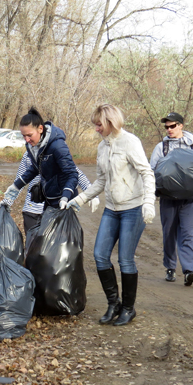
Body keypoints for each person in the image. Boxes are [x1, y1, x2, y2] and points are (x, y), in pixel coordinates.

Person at [68, 104, 155, 326]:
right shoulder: (102, 148)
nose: (96, 129)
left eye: (99, 125)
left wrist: (148, 203)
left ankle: (128, 308)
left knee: (125, 259)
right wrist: (80, 199)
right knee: (100, 255)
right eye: (95, 125)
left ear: (110, 122)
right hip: (112, 210)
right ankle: (113, 303)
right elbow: (100, 180)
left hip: (133, 209)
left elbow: (147, 172)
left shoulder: (130, 142)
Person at [150, 112, 193, 286]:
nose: (169, 129)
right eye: (166, 127)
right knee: (169, 234)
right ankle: (170, 267)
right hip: (168, 198)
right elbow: (151, 171)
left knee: (187, 234)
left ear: (181, 125)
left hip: (189, 199)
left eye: (172, 126)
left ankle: (189, 271)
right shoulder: (162, 148)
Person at [2, 151, 100, 235]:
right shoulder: (28, 154)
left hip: (55, 211)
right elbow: (20, 179)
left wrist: (92, 195)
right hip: (32, 211)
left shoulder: (57, 152)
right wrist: (7, 201)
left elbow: (76, 174)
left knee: (52, 250)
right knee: (32, 248)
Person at [2, 107, 79, 210]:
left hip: (65, 200)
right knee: (45, 226)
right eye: (23, 136)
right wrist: (16, 186)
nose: (27, 140)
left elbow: (72, 174)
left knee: (61, 226)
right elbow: (36, 168)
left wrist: (65, 197)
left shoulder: (57, 146)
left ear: (40, 129)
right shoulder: (32, 146)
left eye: (29, 135)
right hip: (50, 199)